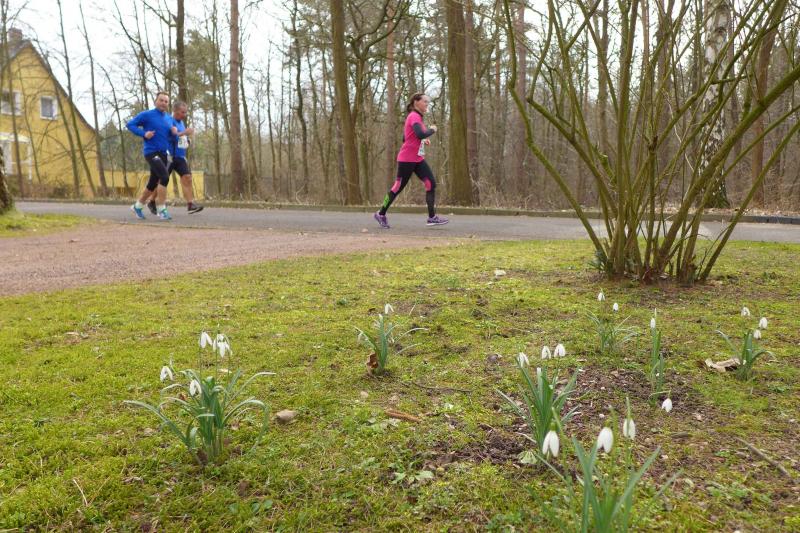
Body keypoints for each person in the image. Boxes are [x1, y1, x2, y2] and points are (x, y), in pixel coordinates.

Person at [374, 92, 448, 229]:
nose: (427, 104)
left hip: (418, 159)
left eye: (427, 102)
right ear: (416, 102)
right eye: (425, 101)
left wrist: (423, 140)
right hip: (407, 160)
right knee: (397, 187)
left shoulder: (417, 117)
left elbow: (407, 137)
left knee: (430, 183)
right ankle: (380, 213)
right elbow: (419, 134)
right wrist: (432, 130)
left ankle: (432, 217)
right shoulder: (414, 116)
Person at [144, 101, 204, 215]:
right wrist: (185, 132)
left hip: (180, 156)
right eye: (183, 112)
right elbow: (170, 137)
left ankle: (190, 204)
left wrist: (187, 141)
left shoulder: (181, 123)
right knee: (162, 180)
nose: (185, 114)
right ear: (175, 111)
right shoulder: (169, 121)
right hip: (169, 156)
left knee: (187, 177)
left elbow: (180, 138)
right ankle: (151, 201)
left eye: (186, 112)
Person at [126, 91, 177, 220]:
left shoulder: (169, 119)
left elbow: (171, 138)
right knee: (164, 177)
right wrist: (144, 134)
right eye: (161, 100)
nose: (163, 103)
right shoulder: (147, 115)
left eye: (166, 101)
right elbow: (130, 125)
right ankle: (162, 209)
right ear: (156, 101)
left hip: (163, 153)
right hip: (151, 152)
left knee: (152, 183)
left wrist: (174, 133)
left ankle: (137, 206)